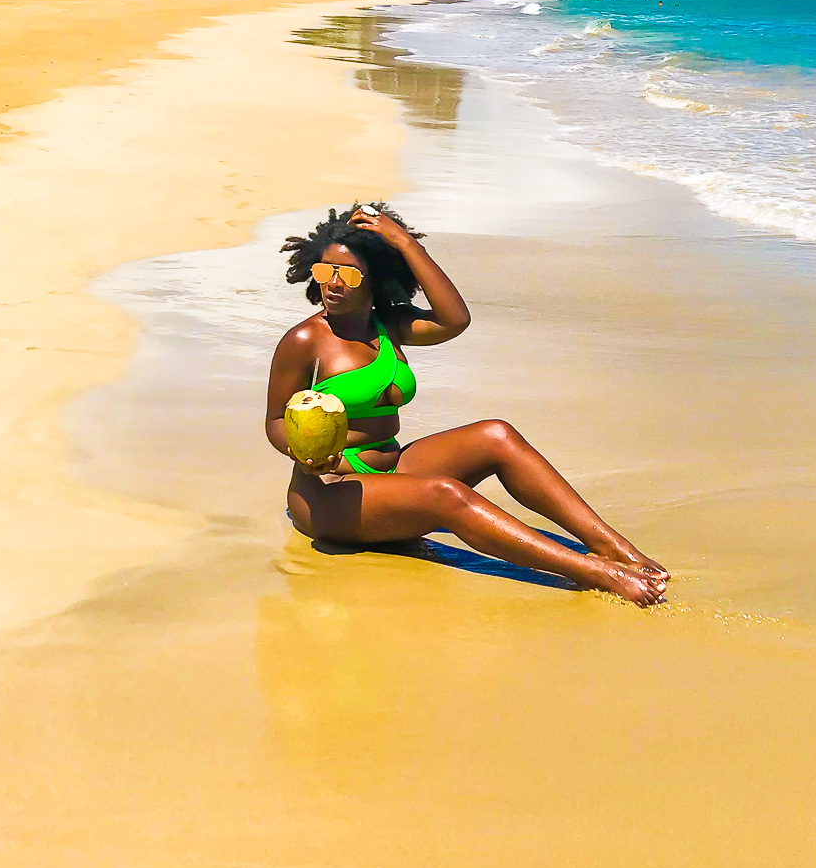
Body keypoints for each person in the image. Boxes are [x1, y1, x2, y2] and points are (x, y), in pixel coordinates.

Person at [266, 203, 668, 605]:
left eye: (348, 273)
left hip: (389, 470)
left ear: (376, 279)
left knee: (497, 434)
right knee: (446, 494)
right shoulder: (306, 341)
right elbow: (274, 421)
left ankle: (615, 549)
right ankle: (594, 571)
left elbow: (454, 319)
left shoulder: (389, 326)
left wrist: (405, 243)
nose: (332, 283)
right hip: (328, 492)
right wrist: (304, 452)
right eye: (323, 271)